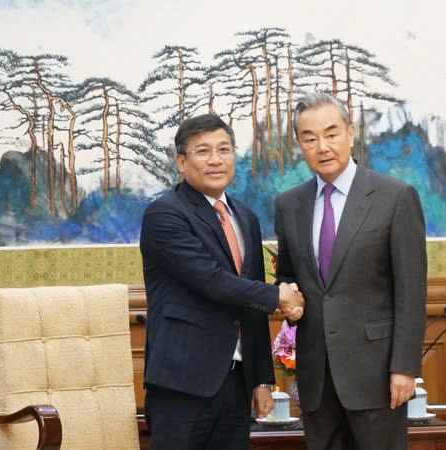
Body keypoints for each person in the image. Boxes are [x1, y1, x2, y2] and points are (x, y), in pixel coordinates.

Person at [140, 114, 304, 450]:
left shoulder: (245, 217)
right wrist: (280, 296)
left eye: (224, 149)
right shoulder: (165, 214)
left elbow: (250, 303)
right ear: (181, 162)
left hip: (235, 383)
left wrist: (261, 379)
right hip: (181, 384)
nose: (216, 159)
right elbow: (212, 281)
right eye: (203, 151)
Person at [274, 93, 427, 450]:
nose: (323, 147)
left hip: (377, 373)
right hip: (316, 374)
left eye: (332, 134)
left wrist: (405, 368)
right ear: (299, 144)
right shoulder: (289, 204)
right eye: (310, 139)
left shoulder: (395, 197)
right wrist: (287, 294)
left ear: (351, 133)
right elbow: (287, 274)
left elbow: (411, 291)